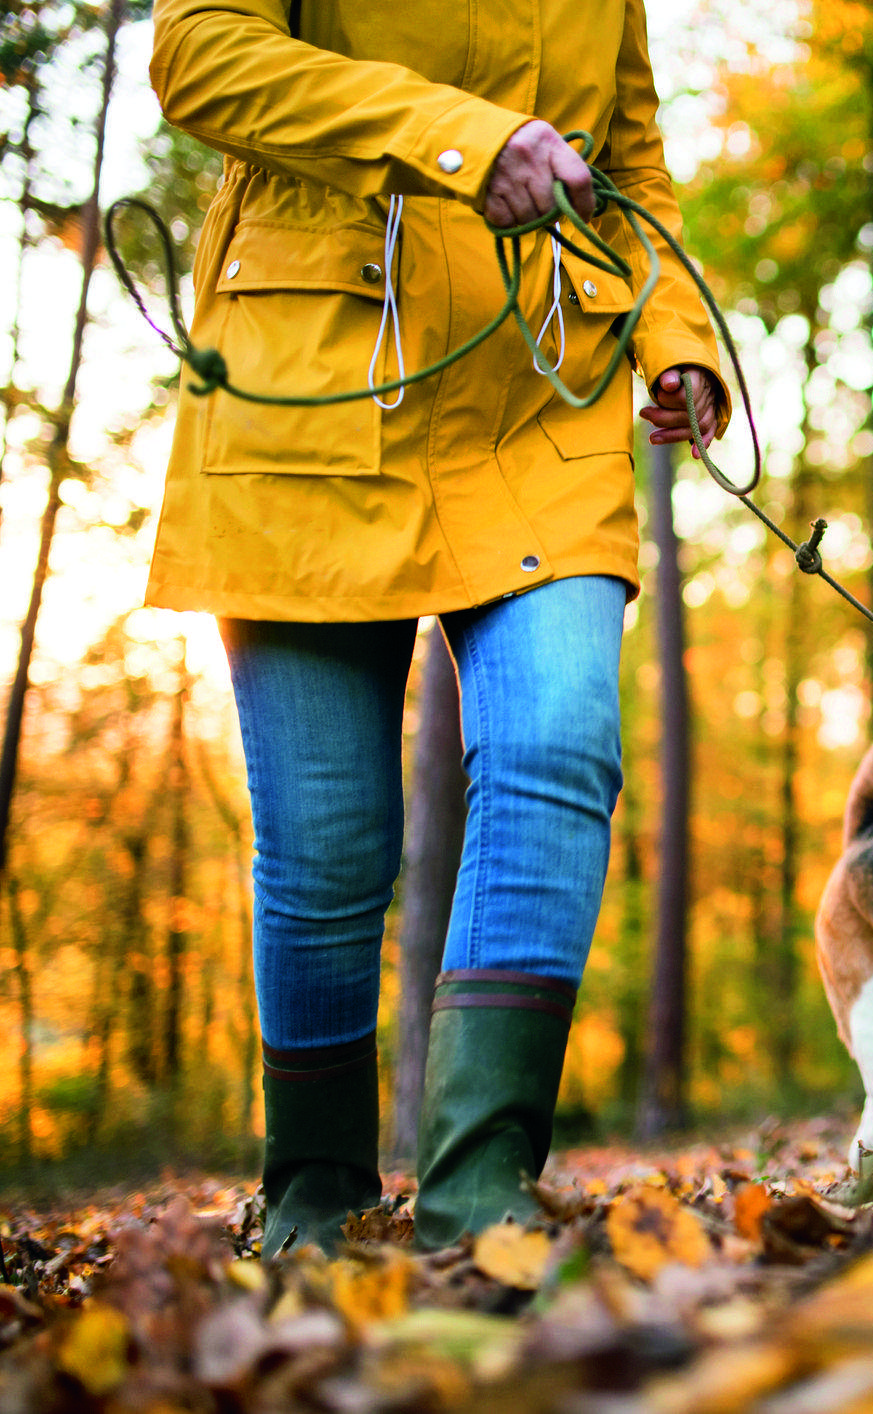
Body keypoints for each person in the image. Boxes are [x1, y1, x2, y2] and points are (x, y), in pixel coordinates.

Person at [147, 0, 727, 1253]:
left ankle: (481, 1190)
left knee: (558, 745)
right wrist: (465, 141)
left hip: (540, 391)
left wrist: (674, 338)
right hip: (311, 376)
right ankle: (314, 1194)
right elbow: (198, 57)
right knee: (327, 847)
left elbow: (630, 161)